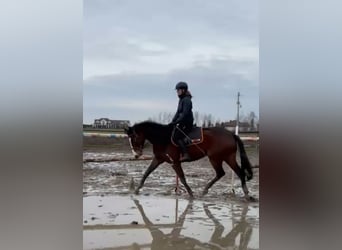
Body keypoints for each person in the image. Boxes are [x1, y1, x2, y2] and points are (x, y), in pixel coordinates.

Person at [168, 81, 194, 162]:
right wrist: (172, 122)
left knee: (177, 136)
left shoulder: (187, 100)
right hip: (182, 122)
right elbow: (178, 112)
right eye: (177, 90)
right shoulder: (181, 100)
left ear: (183, 90)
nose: (177, 92)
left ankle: (186, 154)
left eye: (178, 90)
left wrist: (177, 122)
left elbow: (185, 114)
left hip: (187, 123)